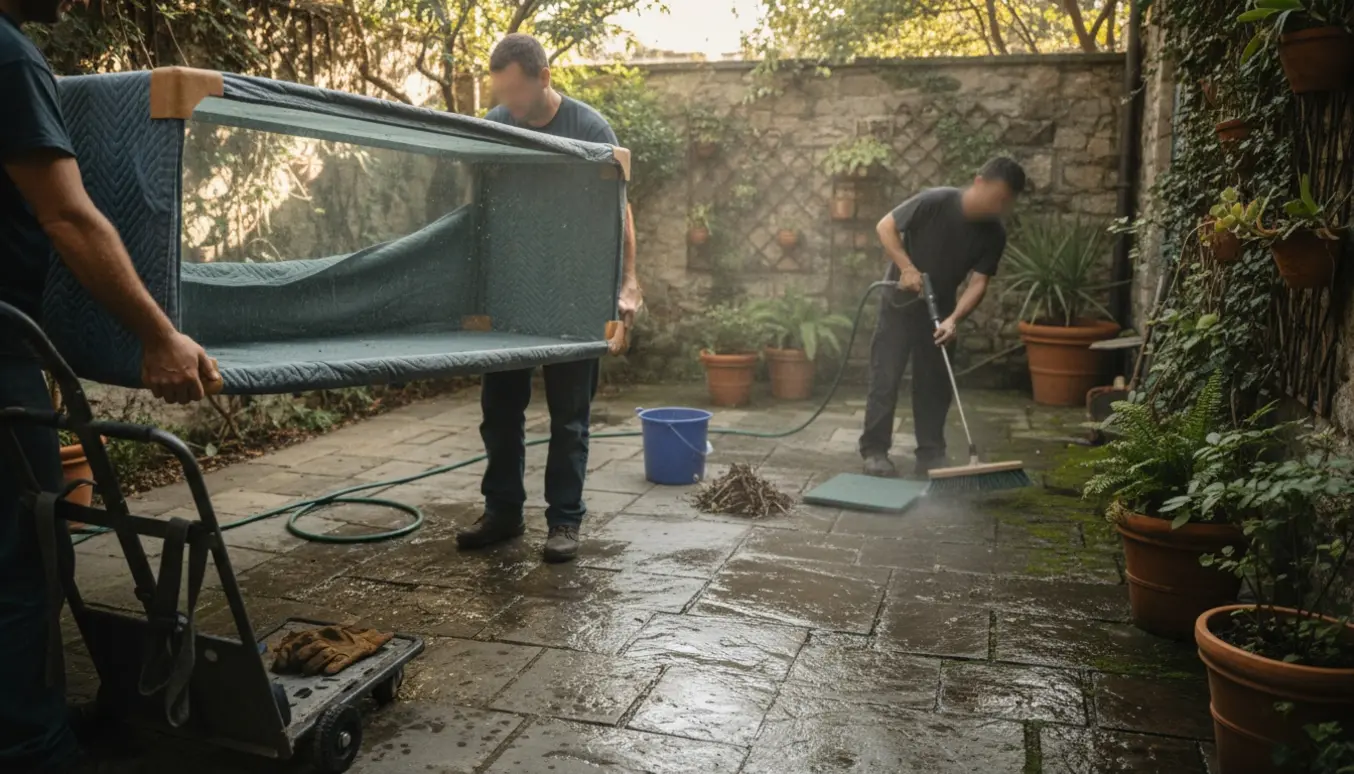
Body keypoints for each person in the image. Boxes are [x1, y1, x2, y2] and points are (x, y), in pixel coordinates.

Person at [1, 1, 220, 771]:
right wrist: (159, 336)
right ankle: (34, 748)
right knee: (23, 559)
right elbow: (67, 215)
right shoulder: (8, 56)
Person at [455, 33, 640, 563]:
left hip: (575, 294)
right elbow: (481, 211)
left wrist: (629, 282)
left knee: (569, 417)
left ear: (544, 78)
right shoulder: (497, 123)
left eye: (517, 92)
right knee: (500, 410)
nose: (509, 104)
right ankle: (503, 512)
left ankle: (564, 521)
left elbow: (619, 212)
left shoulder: (588, 129)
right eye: (503, 93)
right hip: (513, 293)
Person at [859, 156, 1026, 479]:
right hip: (899, 305)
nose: (1001, 206)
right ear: (980, 183)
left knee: (935, 384)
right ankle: (875, 451)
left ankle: (931, 455)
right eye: (998, 196)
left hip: (941, 311)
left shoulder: (994, 234)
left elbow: (979, 282)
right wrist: (907, 267)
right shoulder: (935, 201)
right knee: (885, 377)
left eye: (1007, 202)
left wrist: (954, 319)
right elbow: (886, 226)